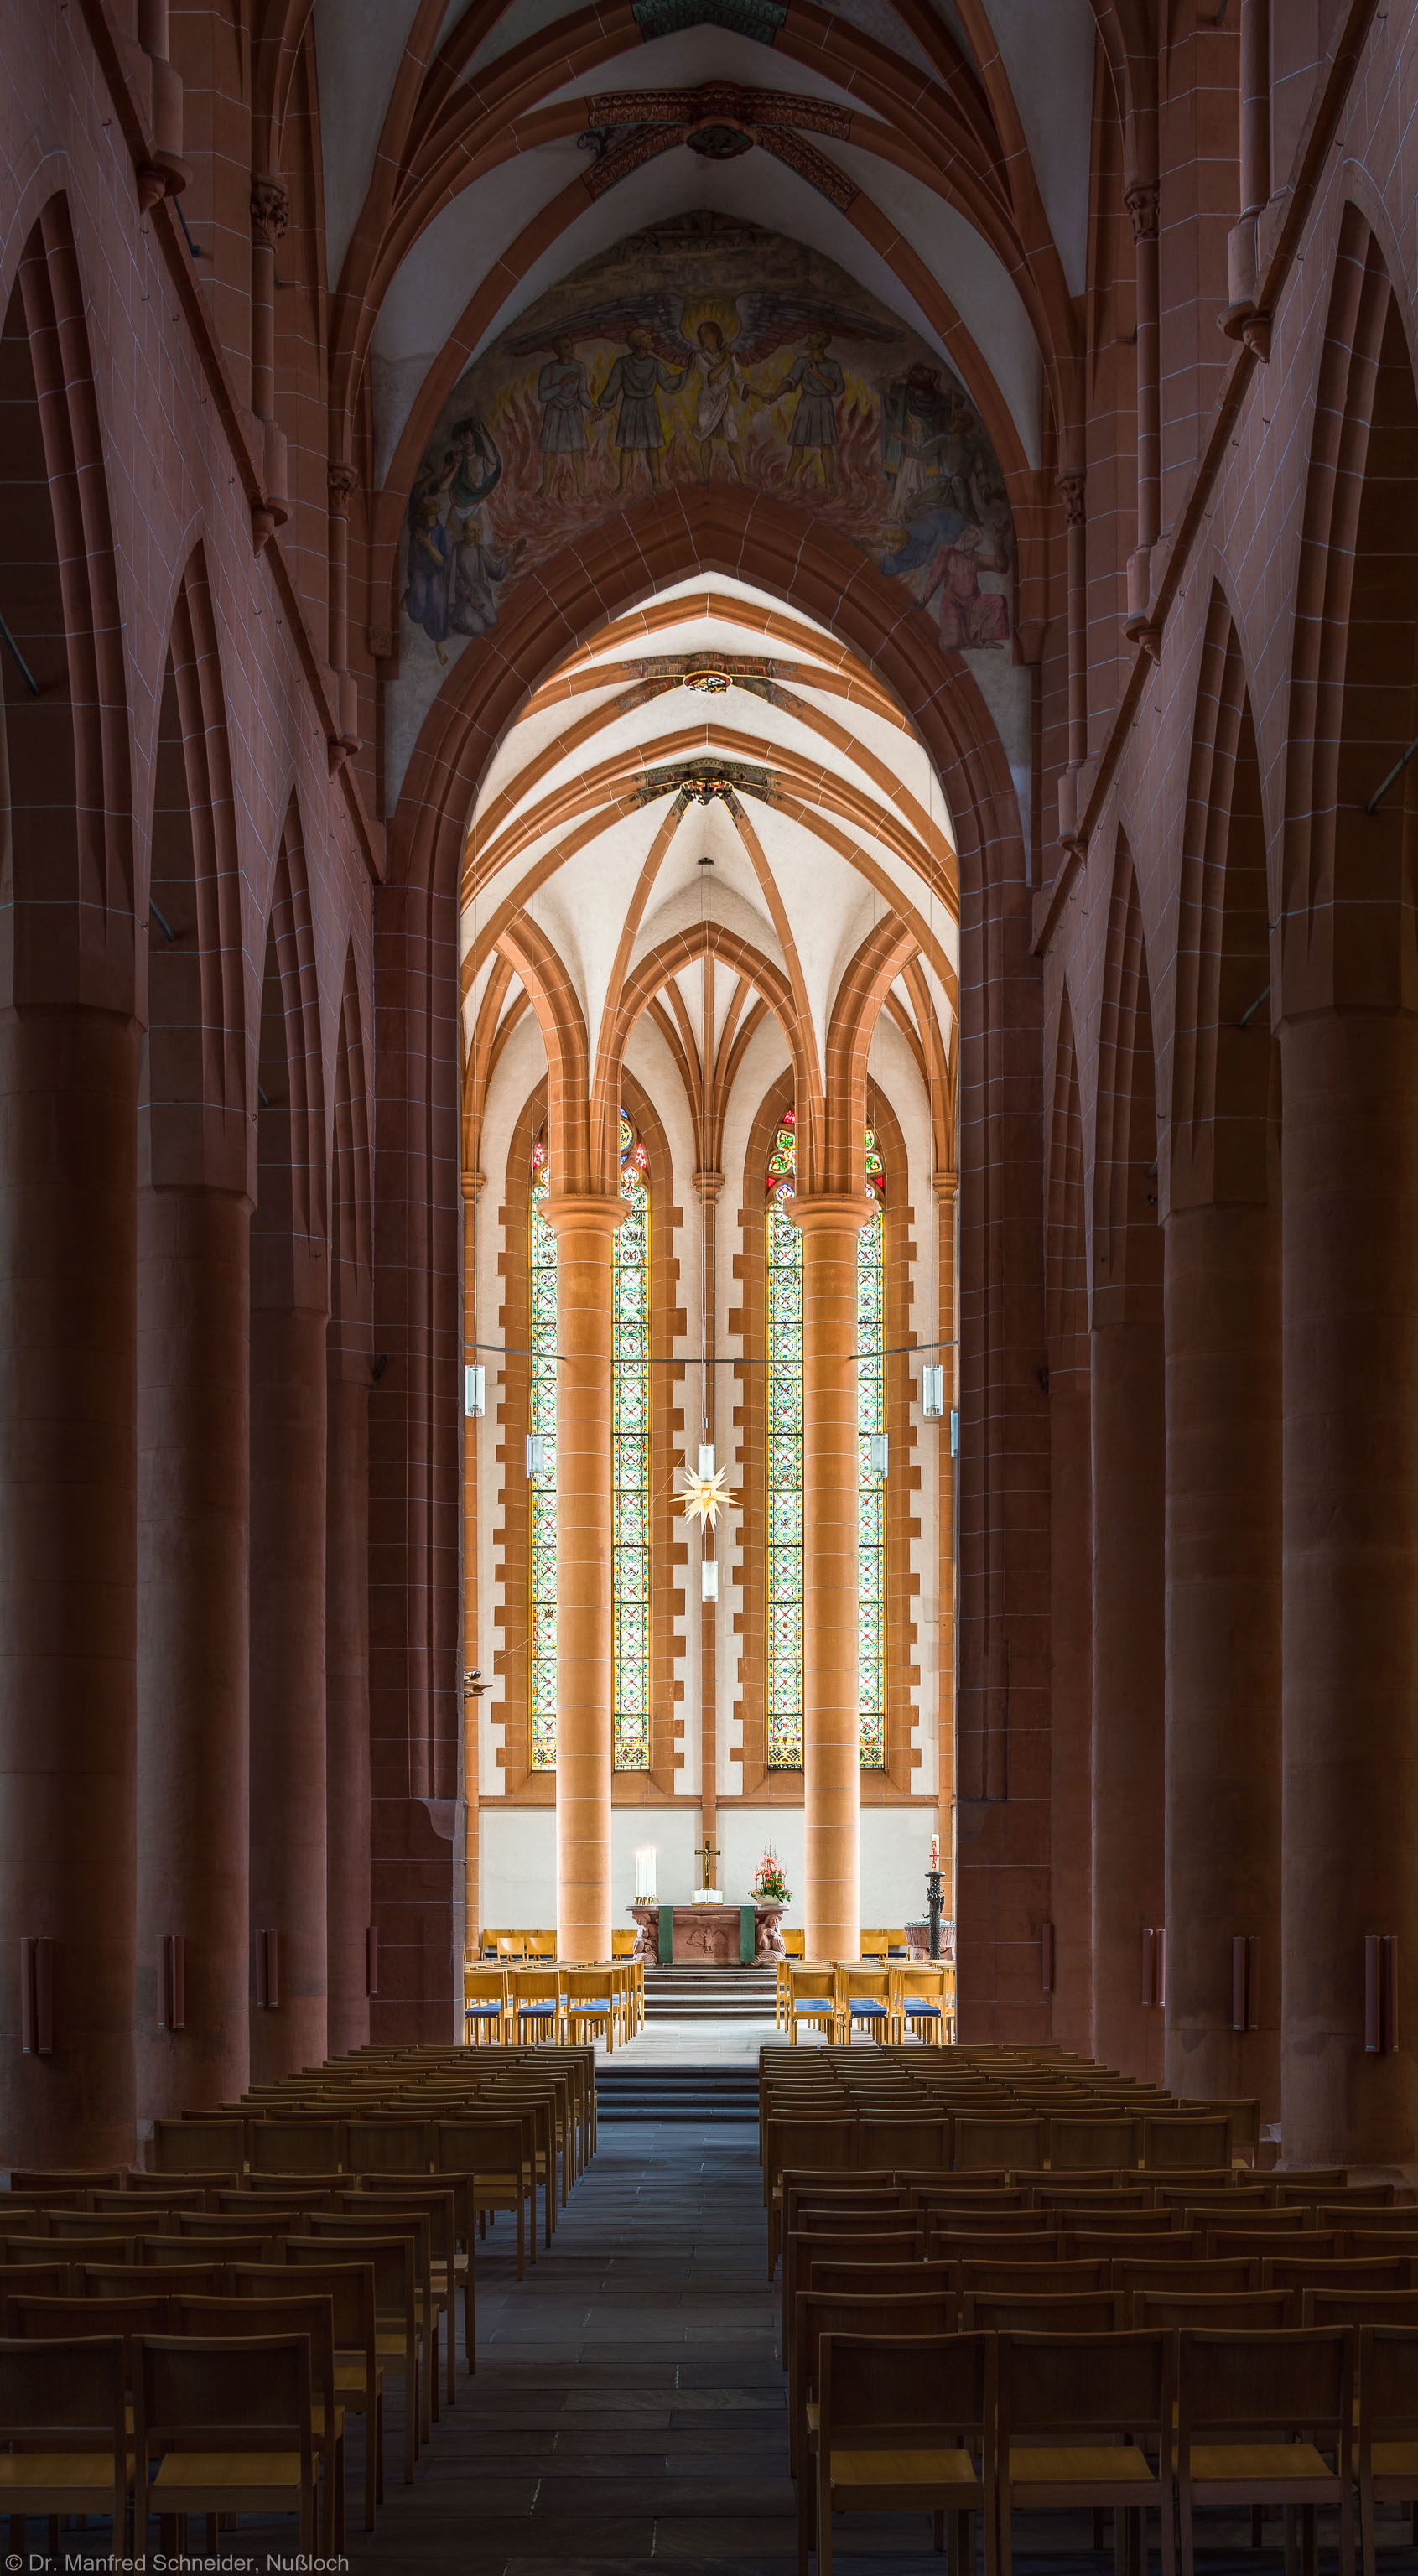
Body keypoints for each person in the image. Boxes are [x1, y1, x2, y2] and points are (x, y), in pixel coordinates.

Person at [598, 325, 688, 491]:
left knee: (652, 447)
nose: (650, 338)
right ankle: (623, 485)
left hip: (648, 407)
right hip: (630, 407)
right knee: (627, 448)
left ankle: (656, 482)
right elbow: (612, 387)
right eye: (646, 337)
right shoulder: (622, 364)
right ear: (639, 343)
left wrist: (686, 374)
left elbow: (667, 383)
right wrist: (603, 406)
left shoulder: (654, 364)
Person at [761, 329, 845, 491]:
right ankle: (788, 480)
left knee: (826, 446)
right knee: (798, 445)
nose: (810, 337)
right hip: (806, 405)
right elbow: (791, 381)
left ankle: (829, 482)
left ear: (823, 343)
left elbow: (836, 388)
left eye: (816, 335)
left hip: (824, 406)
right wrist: (775, 394)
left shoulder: (833, 366)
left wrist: (816, 373)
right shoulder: (801, 362)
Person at [535, 335, 595, 496]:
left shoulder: (578, 367)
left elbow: (582, 392)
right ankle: (545, 487)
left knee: (577, 453)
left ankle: (582, 488)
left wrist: (592, 408)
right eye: (566, 347)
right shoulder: (548, 369)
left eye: (570, 345)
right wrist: (561, 384)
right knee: (550, 453)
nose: (571, 348)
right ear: (557, 351)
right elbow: (542, 395)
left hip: (573, 413)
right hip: (554, 413)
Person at [690, 319, 749, 485]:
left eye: (706, 334)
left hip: (724, 398)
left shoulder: (729, 356)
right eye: (701, 335)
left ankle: (743, 479)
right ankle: (706, 476)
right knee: (705, 435)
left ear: (716, 335)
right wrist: (726, 360)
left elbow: (738, 378)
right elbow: (710, 377)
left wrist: (752, 391)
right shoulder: (700, 357)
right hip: (708, 399)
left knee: (732, 436)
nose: (703, 338)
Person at [403, 490, 452, 662]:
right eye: (429, 502)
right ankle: (409, 596)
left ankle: (439, 642)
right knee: (418, 607)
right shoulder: (416, 526)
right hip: (418, 571)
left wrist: (428, 546)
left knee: (438, 602)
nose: (435, 502)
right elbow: (414, 490)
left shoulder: (443, 533)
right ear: (424, 511)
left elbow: (443, 563)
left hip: (435, 573)